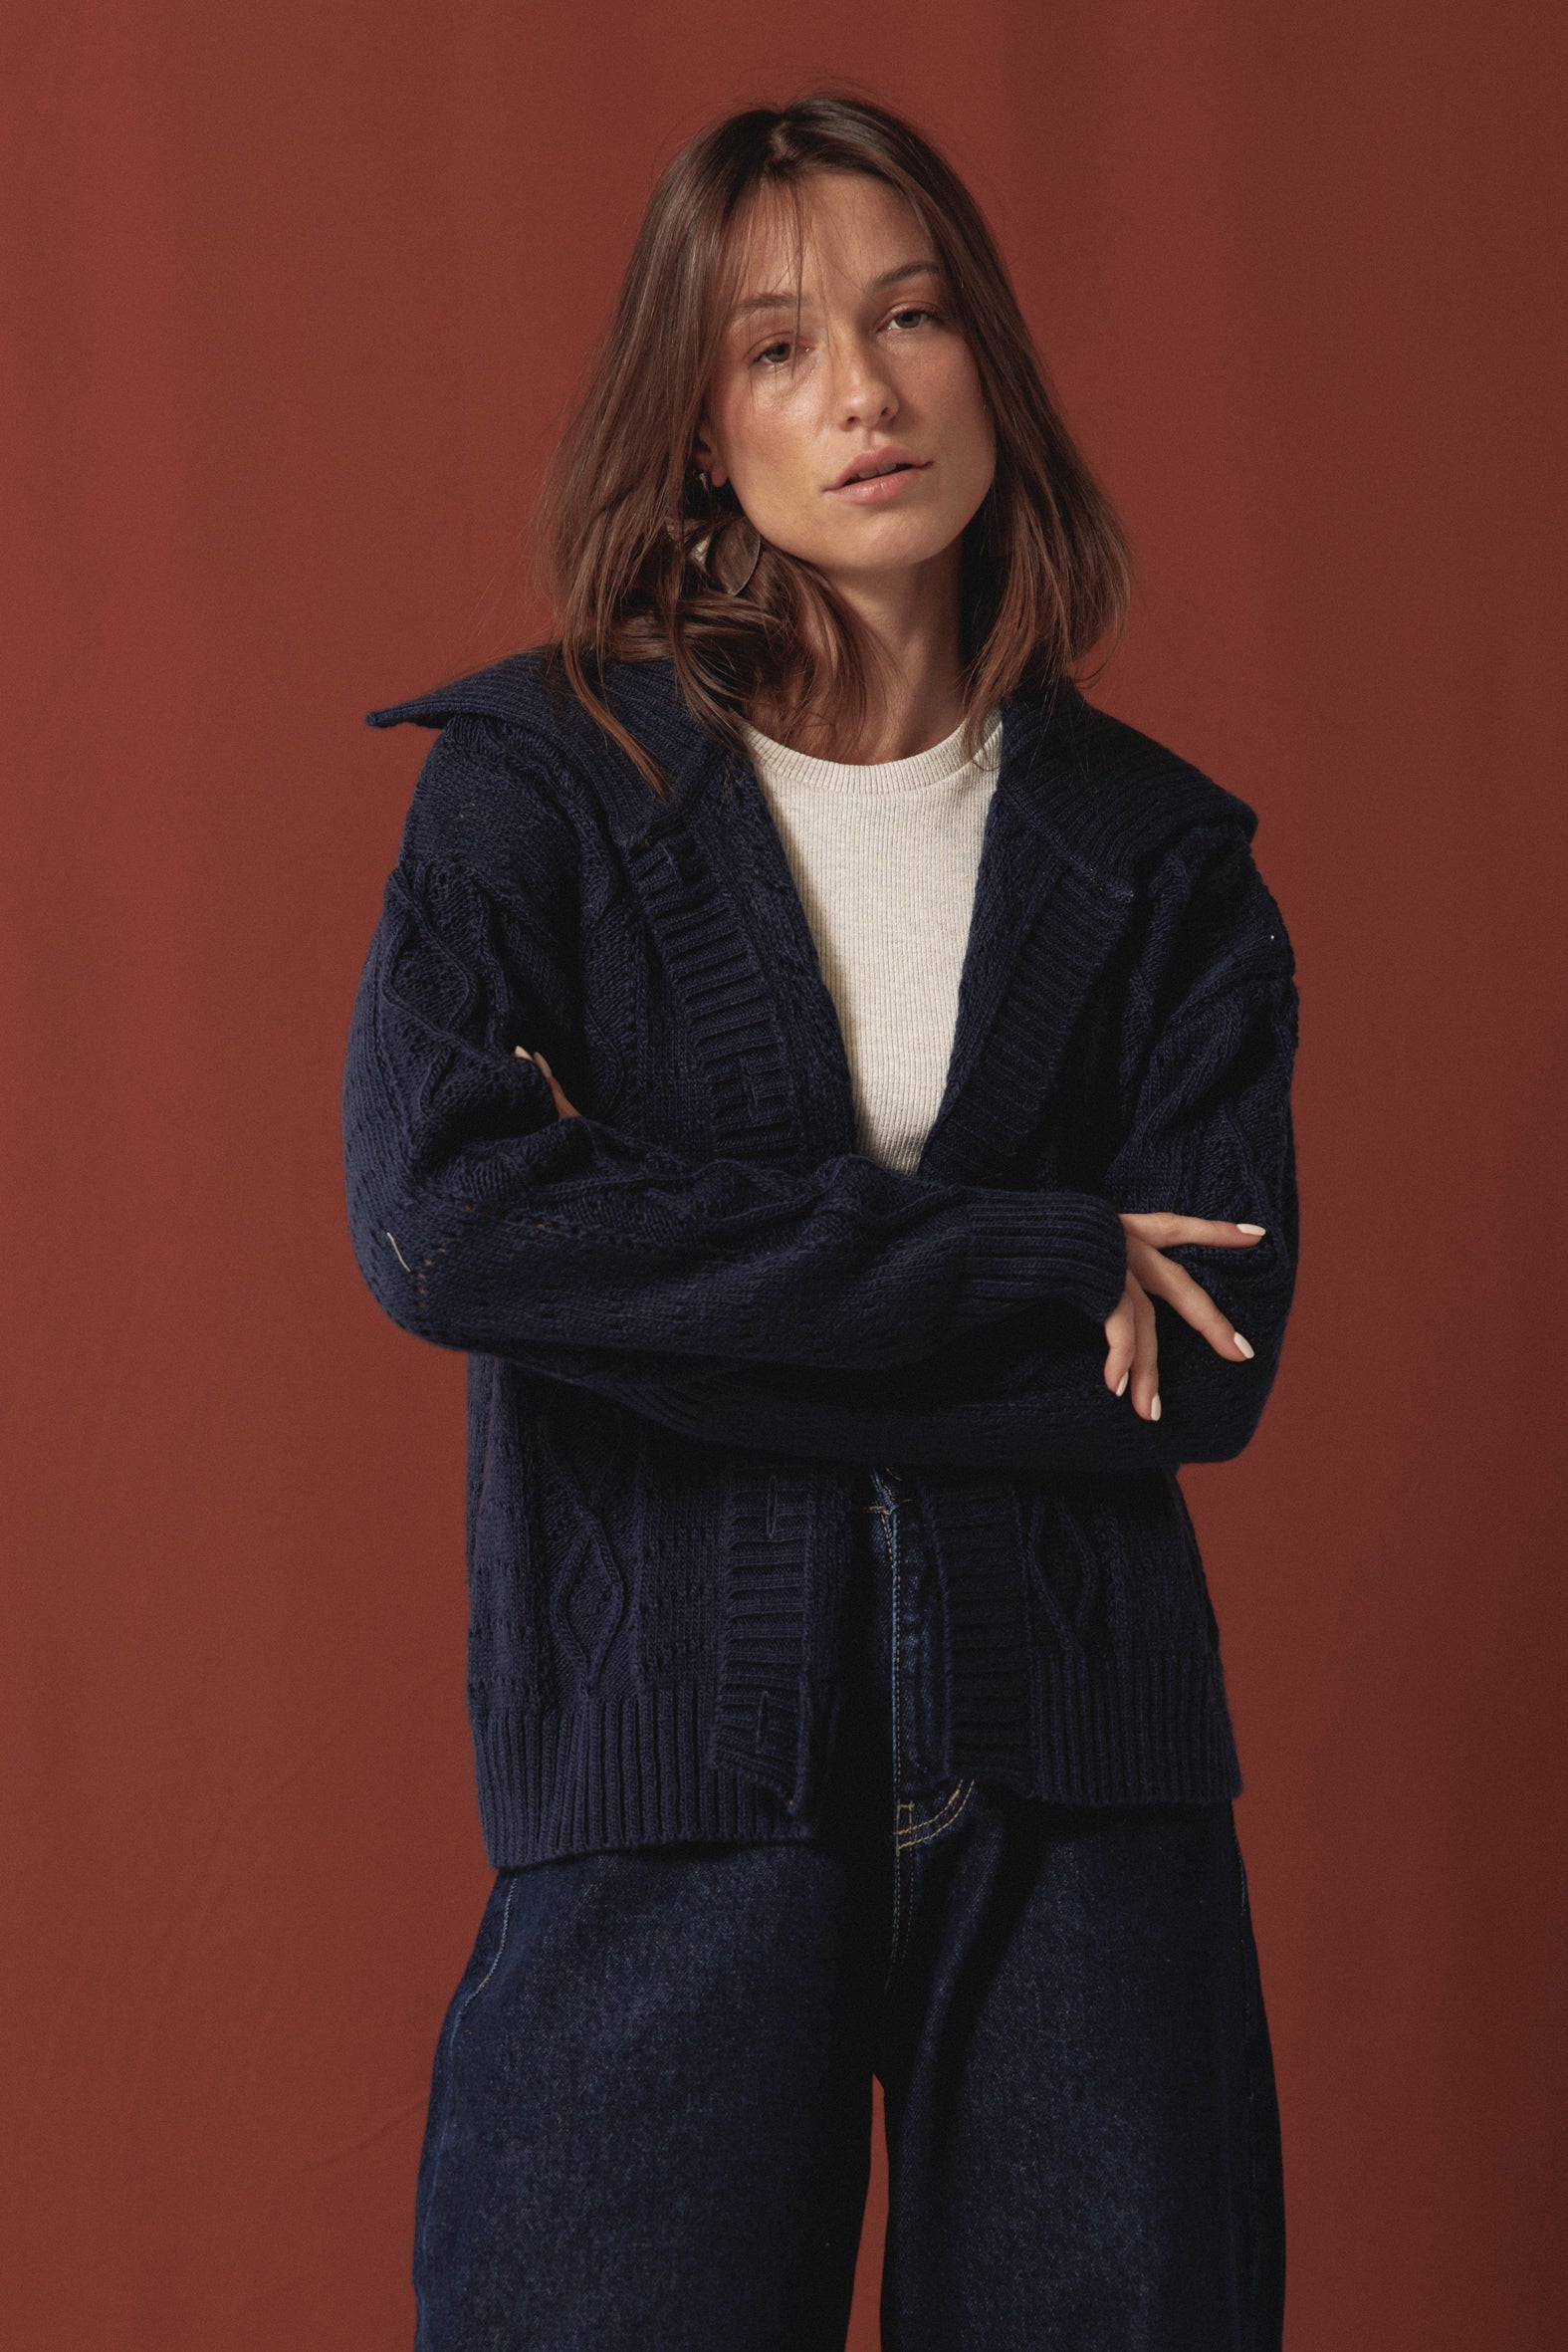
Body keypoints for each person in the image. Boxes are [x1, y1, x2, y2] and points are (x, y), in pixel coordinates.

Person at [342, 89, 1297, 2352]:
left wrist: (659, 1299)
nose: (860, 390)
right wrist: (1033, 1260)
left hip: (1084, 1802)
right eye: (775, 347)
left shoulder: (1161, 860)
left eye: (910, 318)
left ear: (990, 364)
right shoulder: (543, 789)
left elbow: (1206, 1377)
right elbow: (446, 1224)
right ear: (700, 427)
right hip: (664, 1784)